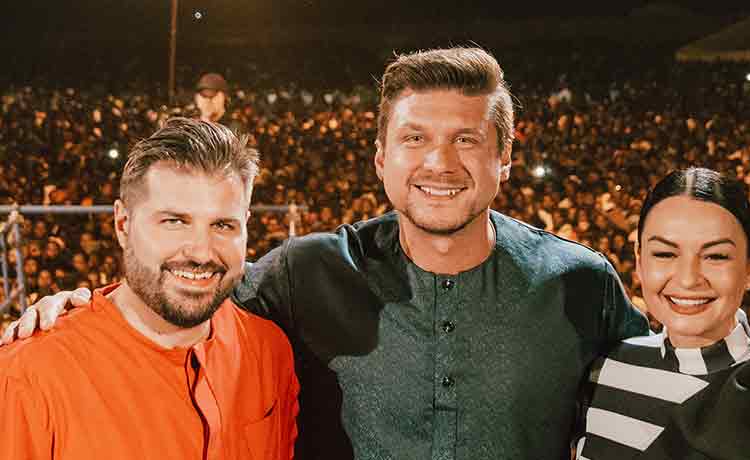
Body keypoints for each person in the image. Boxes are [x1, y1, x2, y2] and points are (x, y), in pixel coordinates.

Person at [3, 47, 648, 460]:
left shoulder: (581, 284)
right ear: (380, 158)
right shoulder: (305, 272)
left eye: (467, 139)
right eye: (414, 137)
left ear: (504, 157)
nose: (439, 162)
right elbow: (188, 290)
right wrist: (83, 309)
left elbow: (670, 388)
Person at [0, 118, 299, 459]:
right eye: (174, 221)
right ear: (123, 224)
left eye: (222, 224)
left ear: (245, 226)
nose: (201, 252)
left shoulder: (270, 351)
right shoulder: (27, 378)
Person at [576, 168, 750, 459]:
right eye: (664, 253)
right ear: (639, 260)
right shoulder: (606, 369)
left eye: (716, 256)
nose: (688, 279)